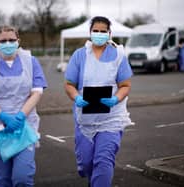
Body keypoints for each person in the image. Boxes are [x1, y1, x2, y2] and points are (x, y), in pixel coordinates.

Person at [64, 16, 133, 187]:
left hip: (111, 118)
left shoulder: (118, 55)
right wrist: (76, 97)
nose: (99, 34)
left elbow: (125, 85)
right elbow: (69, 85)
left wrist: (115, 99)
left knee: (103, 160)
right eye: (96, 30)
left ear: (109, 33)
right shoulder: (79, 55)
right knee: (87, 163)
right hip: (85, 119)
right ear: (90, 32)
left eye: (103, 31)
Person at [0, 26, 47, 187]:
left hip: (24, 126)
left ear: (18, 41)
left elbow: (37, 92)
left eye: (11, 40)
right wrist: (3, 116)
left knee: (22, 178)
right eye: (3, 41)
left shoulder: (30, 61)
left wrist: (21, 116)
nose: (8, 43)